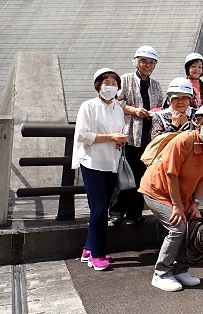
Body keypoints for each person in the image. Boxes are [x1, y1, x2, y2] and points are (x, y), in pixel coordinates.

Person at [139, 102, 203, 291]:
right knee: (178, 227)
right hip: (157, 190)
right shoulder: (183, 141)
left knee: (191, 224)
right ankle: (161, 273)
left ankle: (180, 269)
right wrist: (178, 207)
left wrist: (195, 203)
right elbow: (171, 175)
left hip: (184, 194)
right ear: (197, 123)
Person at [72, 68, 127, 271]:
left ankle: (89, 248)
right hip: (92, 162)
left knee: (101, 207)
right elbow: (83, 135)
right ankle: (97, 254)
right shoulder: (88, 106)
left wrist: (119, 140)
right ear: (98, 86)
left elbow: (118, 132)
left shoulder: (118, 109)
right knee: (99, 207)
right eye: (106, 82)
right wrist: (110, 138)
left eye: (114, 83)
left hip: (110, 162)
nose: (110, 86)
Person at [112, 46, 163, 225]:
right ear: (136, 62)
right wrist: (134, 111)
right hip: (129, 134)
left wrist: (153, 113)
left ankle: (135, 212)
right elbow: (117, 102)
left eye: (151, 62)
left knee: (141, 176)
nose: (147, 65)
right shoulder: (126, 80)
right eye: (144, 61)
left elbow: (159, 108)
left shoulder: (155, 85)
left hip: (148, 137)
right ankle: (117, 211)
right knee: (126, 172)